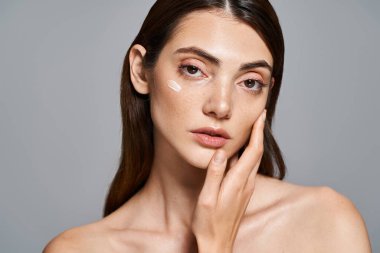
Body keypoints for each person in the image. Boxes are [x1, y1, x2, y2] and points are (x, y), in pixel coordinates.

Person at [43, 0, 372, 252]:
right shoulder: (80, 248)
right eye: (193, 69)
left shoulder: (325, 223)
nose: (222, 106)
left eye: (250, 82)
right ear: (141, 71)